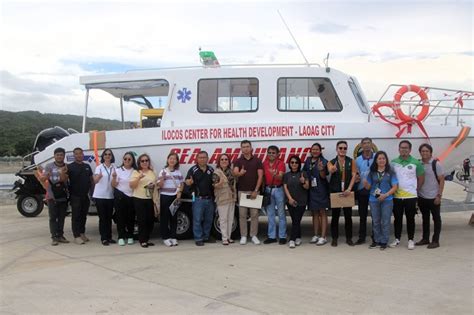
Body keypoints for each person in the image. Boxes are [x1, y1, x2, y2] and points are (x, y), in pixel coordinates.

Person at [390, 140, 425, 250]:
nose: (404, 149)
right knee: (397, 219)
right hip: (397, 196)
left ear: (410, 150)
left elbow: (421, 178)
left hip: (411, 196)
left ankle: (410, 239)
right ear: (398, 149)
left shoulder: (416, 162)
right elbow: (390, 178)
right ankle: (397, 239)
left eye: (406, 148)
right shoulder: (393, 162)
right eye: (402, 147)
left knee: (410, 219)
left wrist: (415, 190)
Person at [363, 151, 398, 250]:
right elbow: (369, 187)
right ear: (376, 160)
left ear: (386, 160)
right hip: (374, 199)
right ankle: (376, 240)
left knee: (385, 221)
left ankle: (384, 241)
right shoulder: (372, 172)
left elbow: (395, 186)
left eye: (383, 158)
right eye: (379, 158)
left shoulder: (390, 172)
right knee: (376, 221)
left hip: (387, 199)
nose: (382, 160)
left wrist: (386, 195)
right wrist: (365, 184)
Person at [233, 140, 264, 245]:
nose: (245, 148)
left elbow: (260, 176)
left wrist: (256, 190)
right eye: (243, 147)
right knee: (242, 215)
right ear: (241, 149)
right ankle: (243, 236)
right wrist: (240, 174)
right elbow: (235, 173)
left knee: (254, 214)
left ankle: (254, 235)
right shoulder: (238, 161)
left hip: (254, 191)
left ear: (251, 148)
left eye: (247, 146)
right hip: (242, 191)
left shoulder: (257, 160)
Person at [328, 141, 357, 247]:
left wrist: (349, 188)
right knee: (335, 217)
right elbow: (329, 170)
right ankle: (334, 238)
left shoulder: (351, 161)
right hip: (335, 192)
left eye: (345, 148)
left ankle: (349, 238)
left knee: (348, 216)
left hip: (347, 191)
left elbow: (354, 175)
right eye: (340, 148)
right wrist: (332, 169)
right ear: (337, 149)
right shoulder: (331, 161)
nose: (342, 150)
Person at [416, 143, 444, 249]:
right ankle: (425, 238)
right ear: (420, 152)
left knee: (436, 219)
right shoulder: (419, 164)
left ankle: (436, 240)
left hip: (434, 196)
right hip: (422, 196)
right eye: (422, 151)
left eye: (426, 151)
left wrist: (439, 195)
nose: (424, 153)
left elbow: (441, 179)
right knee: (425, 218)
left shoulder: (436, 164)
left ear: (430, 152)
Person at [40, 147, 69, 246]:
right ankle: (54, 237)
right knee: (53, 217)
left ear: (64, 156)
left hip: (63, 195)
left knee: (61, 217)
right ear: (54, 156)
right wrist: (45, 176)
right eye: (57, 155)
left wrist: (62, 173)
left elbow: (65, 181)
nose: (59, 157)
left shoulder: (66, 167)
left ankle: (60, 235)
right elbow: (42, 179)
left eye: (61, 155)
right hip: (51, 196)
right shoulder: (49, 166)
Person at [185, 151, 215, 246]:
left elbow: (214, 183)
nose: (202, 159)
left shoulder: (211, 170)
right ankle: (198, 238)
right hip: (198, 199)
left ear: (207, 159)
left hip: (209, 199)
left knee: (208, 219)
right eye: (200, 157)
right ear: (197, 159)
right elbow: (187, 181)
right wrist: (188, 182)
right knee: (197, 219)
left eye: (204, 157)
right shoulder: (193, 170)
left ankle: (206, 237)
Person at [303, 143, 329, 246]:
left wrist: (321, 169)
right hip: (311, 190)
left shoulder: (323, 161)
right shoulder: (308, 160)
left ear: (320, 151)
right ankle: (316, 235)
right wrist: (304, 179)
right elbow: (304, 172)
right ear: (311, 150)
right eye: (313, 149)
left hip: (321, 190)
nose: (315, 151)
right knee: (314, 213)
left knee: (322, 212)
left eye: (317, 149)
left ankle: (323, 237)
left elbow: (323, 176)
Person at [157, 152, 184, 247]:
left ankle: (173, 237)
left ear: (176, 161)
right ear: (167, 160)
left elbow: (181, 184)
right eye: (170, 158)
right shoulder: (163, 171)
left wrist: (179, 193)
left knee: (174, 217)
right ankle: (165, 237)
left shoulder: (178, 172)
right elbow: (159, 186)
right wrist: (162, 178)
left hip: (175, 197)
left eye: (174, 159)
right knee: (164, 218)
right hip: (165, 196)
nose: (172, 160)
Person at [68, 147, 94, 245]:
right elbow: (65, 179)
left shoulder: (87, 166)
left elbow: (91, 180)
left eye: (80, 153)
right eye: (77, 154)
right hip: (75, 196)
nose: (79, 155)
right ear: (74, 155)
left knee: (84, 216)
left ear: (83, 154)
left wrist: (92, 193)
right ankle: (76, 236)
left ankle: (82, 233)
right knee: (76, 216)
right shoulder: (70, 167)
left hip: (85, 196)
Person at [130, 153, 156, 248]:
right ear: (139, 162)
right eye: (142, 161)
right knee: (142, 220)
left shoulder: (152, 172)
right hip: (139, 198)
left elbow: (155, 184)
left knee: (150, 220)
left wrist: (152, 186)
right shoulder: (136, 172)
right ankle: (142, 240)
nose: (145, 162)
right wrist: (139, 178)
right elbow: (132, 186)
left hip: (149, 198)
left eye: (146, 160)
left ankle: (147, 238)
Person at [284, 155, 310, 248]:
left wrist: (303, 181)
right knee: (295, 220)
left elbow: (307, 187)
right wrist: (290, 199)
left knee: (296, 220)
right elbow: (285, 188)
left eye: (296, 162)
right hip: (290, 201)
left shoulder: (303, 173)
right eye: (292, 162)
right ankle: (298, 237)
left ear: (299, 164)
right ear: (289, 164)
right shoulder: (287, 175)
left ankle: (292, 239)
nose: (294, 164)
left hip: (301, 201)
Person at [262, 145, 287, 245]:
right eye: (269, 153)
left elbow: (280, 177)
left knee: (281, 214)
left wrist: (274, 175)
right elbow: (263, 177)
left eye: (273, 153)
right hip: (268, 189)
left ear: (278, 154)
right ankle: (271, 236)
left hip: (279, 189)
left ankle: (282, 236)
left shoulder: (281, 164)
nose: (271, 154)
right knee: (270, 214)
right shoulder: (264, 163)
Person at [111, 152, 137, 246]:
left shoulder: (135, 171)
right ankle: (121, 237)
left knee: (131, 218)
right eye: (125, 159)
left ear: (132, 160)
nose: (127, 161)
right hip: (120, 196)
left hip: (131, 196)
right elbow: (113, 185)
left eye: (129, 159)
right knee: (120, 217)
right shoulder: (118, 170)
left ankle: (130, 236)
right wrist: (114, 178)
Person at [92, 149, 116, 246]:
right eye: (105, 154)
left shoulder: (115, 167)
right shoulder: (99, 167)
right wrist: (99, 176)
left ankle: (109, 237)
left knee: (109, 217)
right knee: (103, 218)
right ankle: (104, 238)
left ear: (111, 156)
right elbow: (95, 181)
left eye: (109, 154)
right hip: (100, 196)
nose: (107, 156)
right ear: (103, 156)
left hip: (110, 195)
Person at [355, 137, 375, 245]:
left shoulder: (377, 157)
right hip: (361, 190)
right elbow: (356, 174)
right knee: (362, 216)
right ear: (361, 146)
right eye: (364, 143)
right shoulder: (357, 159)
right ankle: (361, 237)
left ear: (372, 145)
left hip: (374, 190)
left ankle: (375, 237)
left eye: (368, 143)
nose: (367, 145)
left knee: (375, 215)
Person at [213, 153, 237, 245]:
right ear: (219, 161)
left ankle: (229, 237)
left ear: (229, 161)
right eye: (222, 159)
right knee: (223, 219)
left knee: (230, 219)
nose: (224, 161)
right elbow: (214, 185)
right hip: (222, 198)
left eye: (226, 159)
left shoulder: (231, 171)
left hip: (231, 198)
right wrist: (220, 183)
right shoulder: (217, 172)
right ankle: (224, 238)